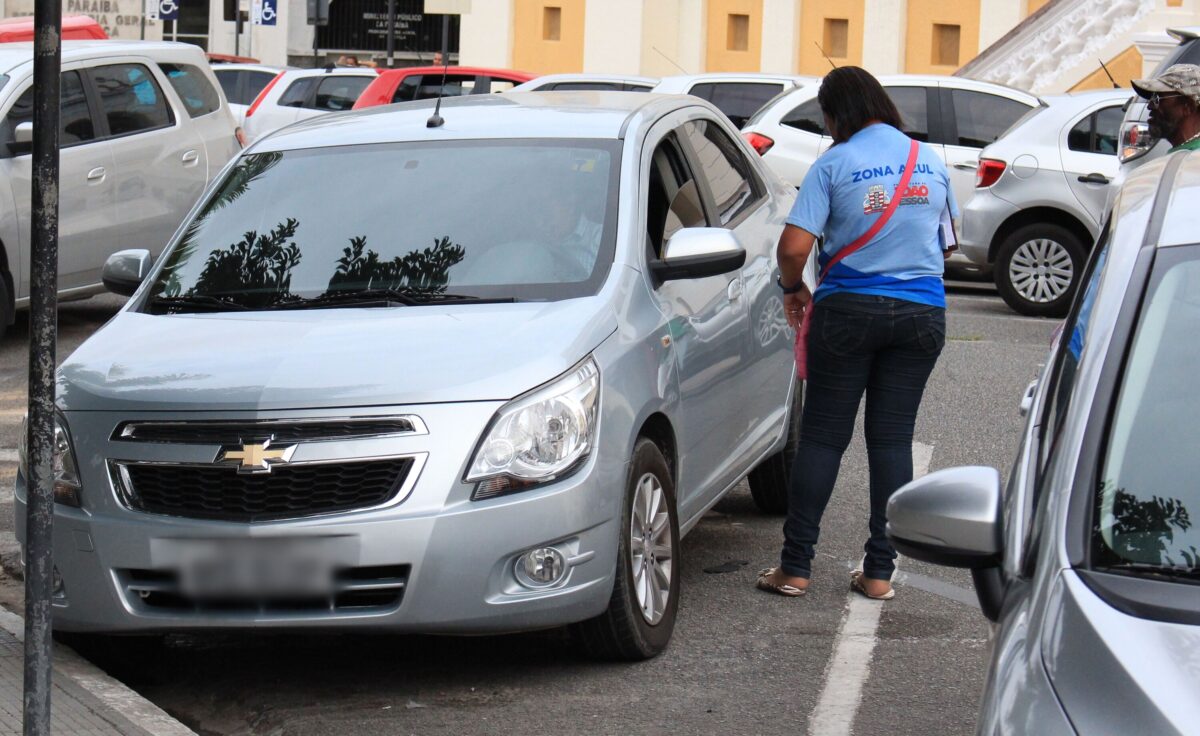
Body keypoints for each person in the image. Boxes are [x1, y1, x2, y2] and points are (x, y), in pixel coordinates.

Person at [757, 67, 956, 601]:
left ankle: (795, 569)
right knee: (891, 440)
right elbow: (947, 246)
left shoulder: (835, 163)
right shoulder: (929, 162)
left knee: (823, 436)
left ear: (835, 114)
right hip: (920, 317)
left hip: (848, 313)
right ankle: (879, 574)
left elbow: (794, 247)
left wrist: (792, 287)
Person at [1133, 64, 1200, 152]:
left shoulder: (1193, 158)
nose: (1150, 106)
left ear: (1188, 107)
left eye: (1157, 98)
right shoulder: (1185, 154)